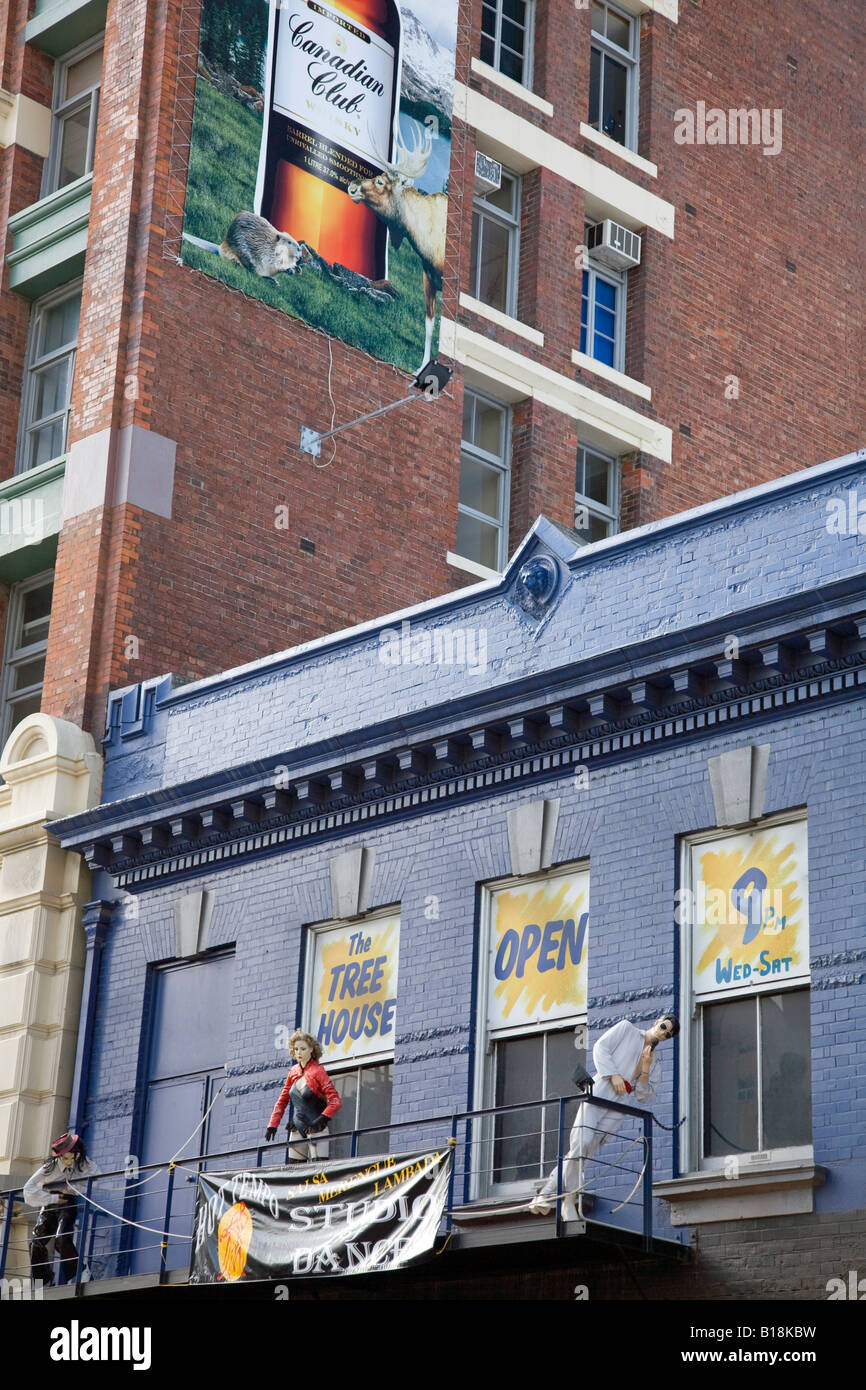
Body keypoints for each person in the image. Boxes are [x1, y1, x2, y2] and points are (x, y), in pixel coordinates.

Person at [530, 1014, 679, 1220]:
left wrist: (645, 1069)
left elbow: (644, 1095)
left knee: (588, 1152)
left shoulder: (654, 1061)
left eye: (668, 1034)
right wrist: (613, 1074)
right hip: (601, 1089)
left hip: (619, 1104)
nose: (663, 1033)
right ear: (656, 1022)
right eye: (663, 1027)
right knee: (581, 1143)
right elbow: (601, 1046)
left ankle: (561, 1198)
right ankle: (554, 1194)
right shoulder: (627, 1029)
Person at [24, 1131, 100, 1286]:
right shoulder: (49, 1167)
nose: (68, 1161)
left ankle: (81, 1273)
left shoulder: (82, 1163)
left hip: (67, 1202)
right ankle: (43, 1281)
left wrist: (74, 1188)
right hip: (50, 1204)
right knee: (36, 1243)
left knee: (62, 1239)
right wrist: (51, 1198)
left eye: (72, 1157)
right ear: (58, 1156)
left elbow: (96, 1179)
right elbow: (28, 1188)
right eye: (64, 1158)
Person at [264, 1029, 342, 1160]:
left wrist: (320, 1120)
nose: (298, 1052)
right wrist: (272, 1125)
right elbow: (282, 1101)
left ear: (311, 1049)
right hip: (297, 1128)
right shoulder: (293, 1072)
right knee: (294, 1172)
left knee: (319, 1172)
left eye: (303, 1048)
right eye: (296, 1049)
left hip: (316, 1129)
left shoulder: (318, 1071)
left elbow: (335, 1101)